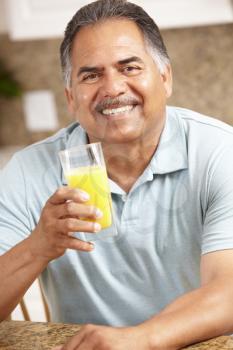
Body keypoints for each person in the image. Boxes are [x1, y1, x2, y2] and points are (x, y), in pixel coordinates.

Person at [1, 0, 233, 349]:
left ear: (165, 78)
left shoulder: (219, 152)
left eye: (129, 67)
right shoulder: (29, 170)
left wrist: (140, 339)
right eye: (91, 75)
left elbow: (228, 291)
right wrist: (38, 246)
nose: (112, 88)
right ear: (71, 98)